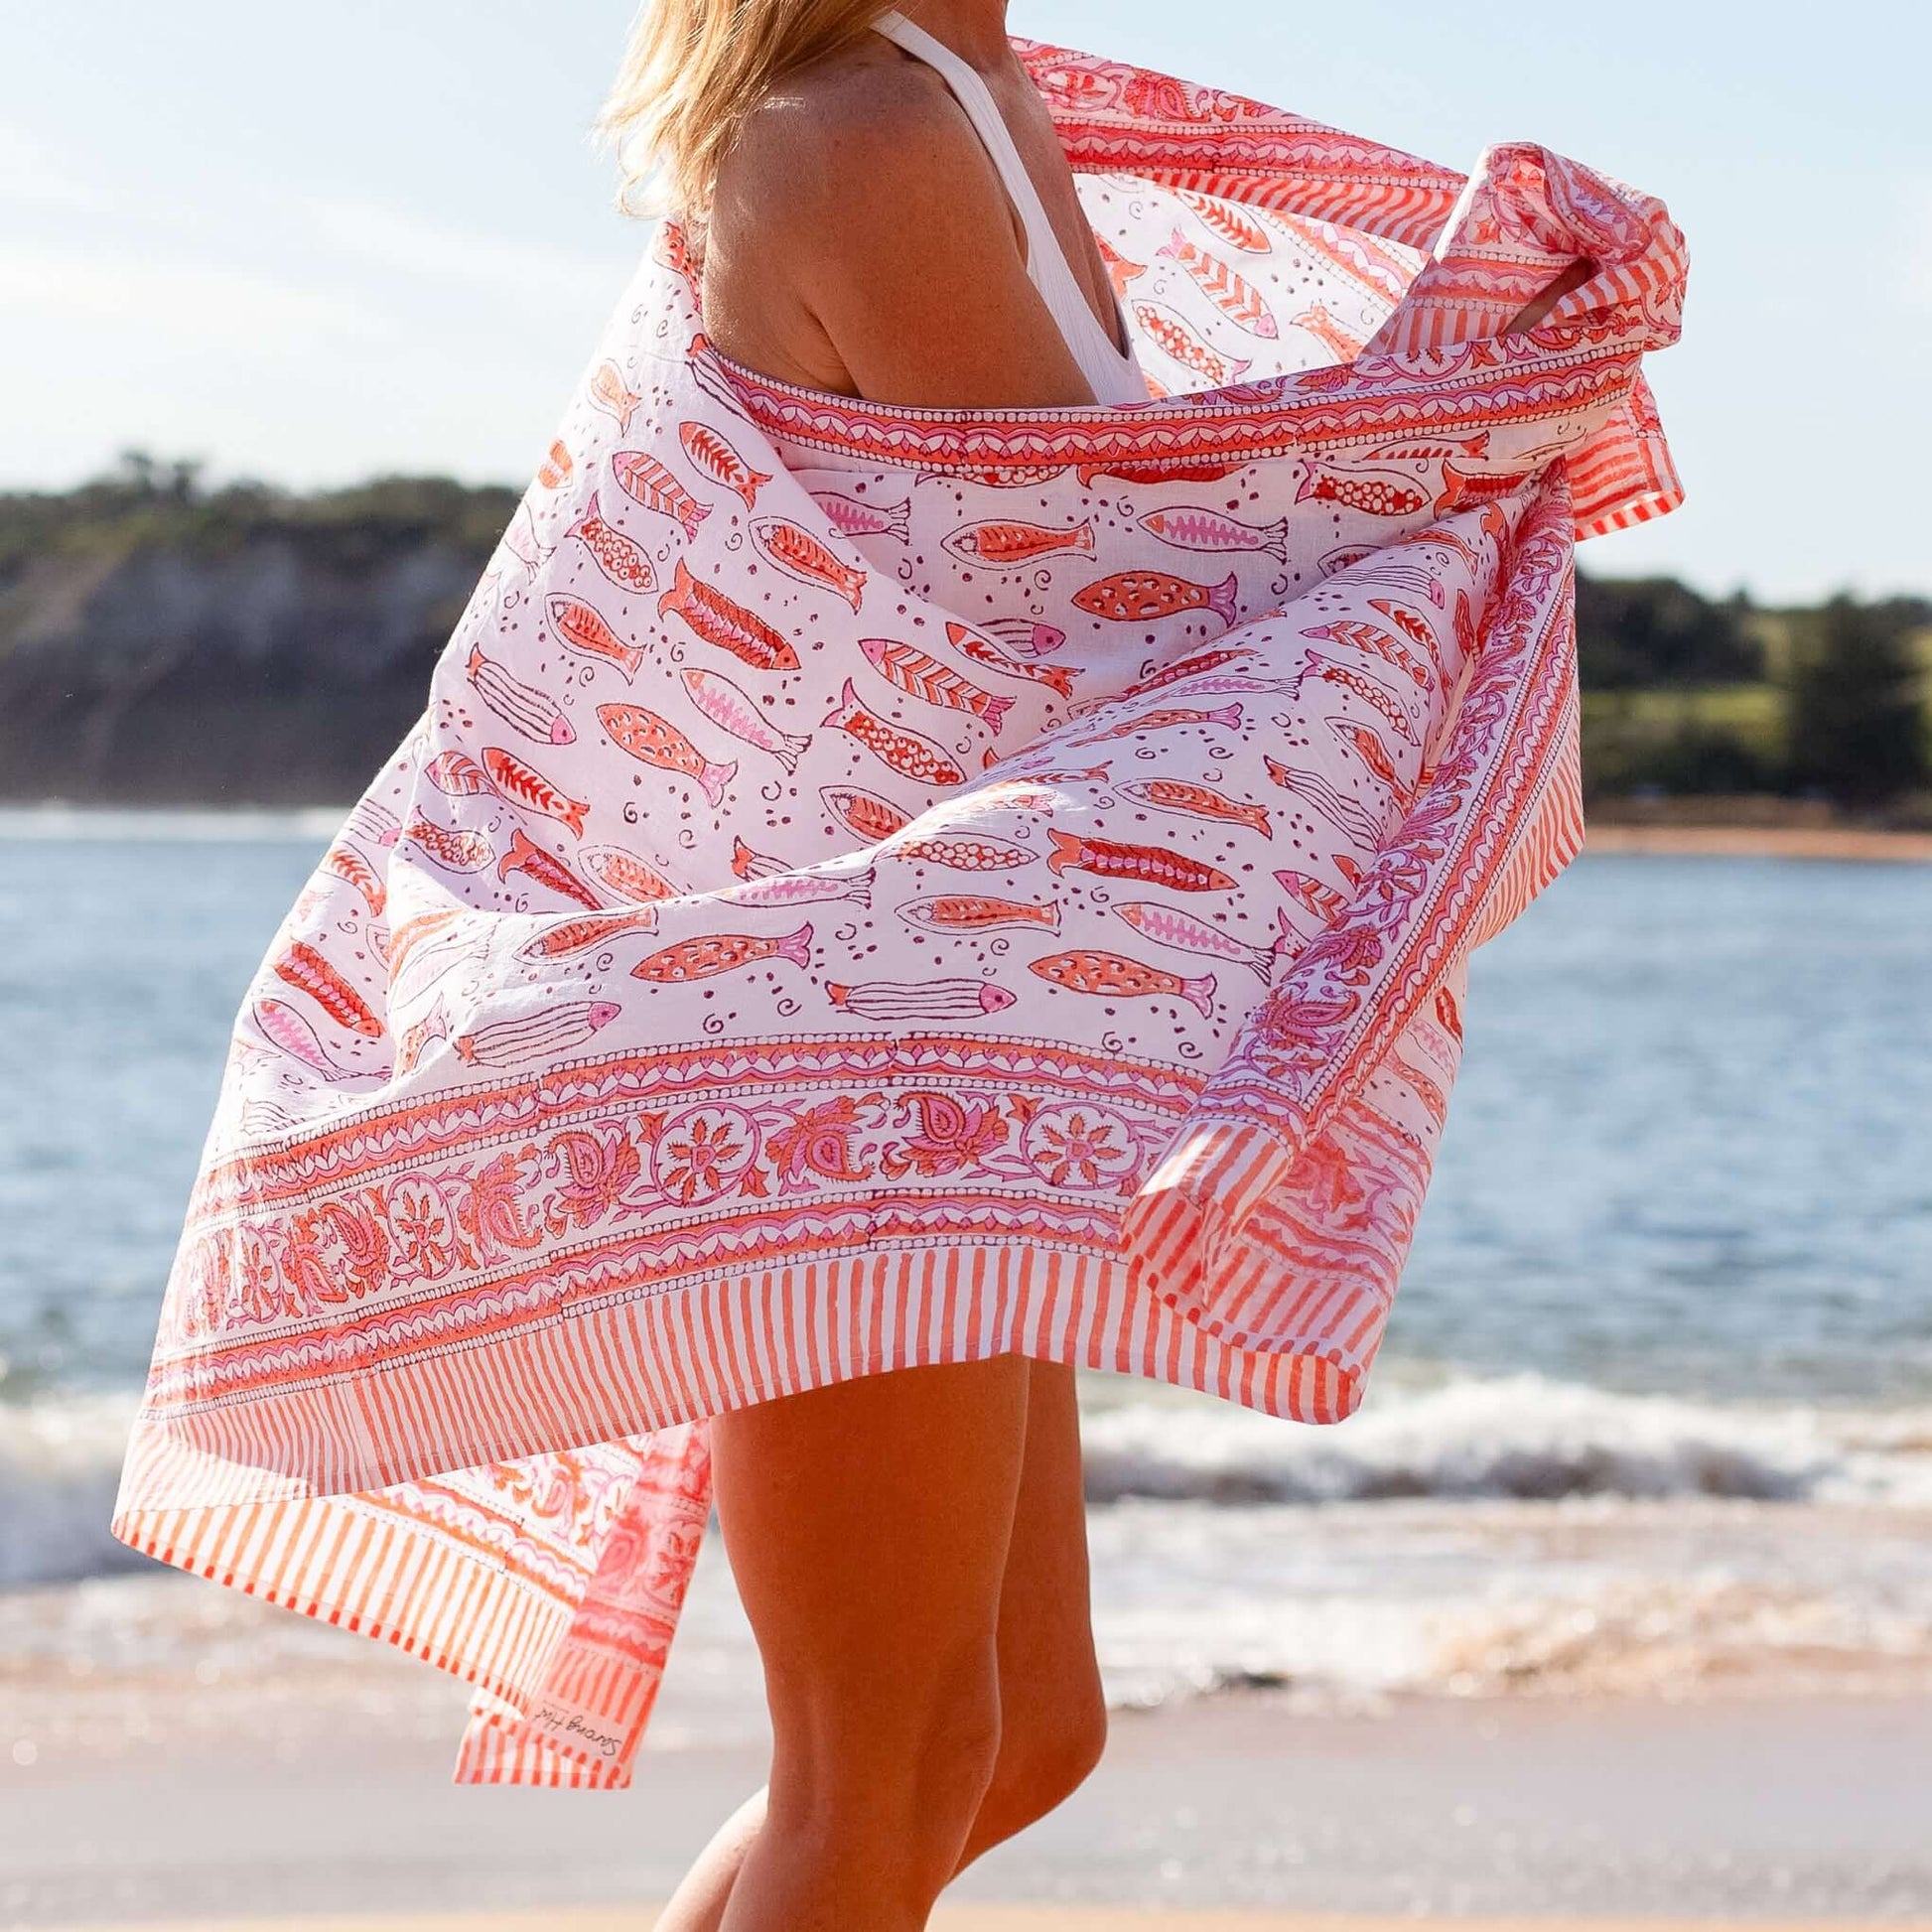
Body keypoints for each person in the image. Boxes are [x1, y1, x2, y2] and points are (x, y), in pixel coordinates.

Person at [595, 7, 1591, 1926]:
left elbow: (1126, 551)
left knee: (1020, 1732)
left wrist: (1453, 404)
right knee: (875, 1773)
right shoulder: (866, 135)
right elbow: (1116, 608)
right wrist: (1460, 434)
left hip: (949, 1021)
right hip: (842, 1051)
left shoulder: (977, 103)